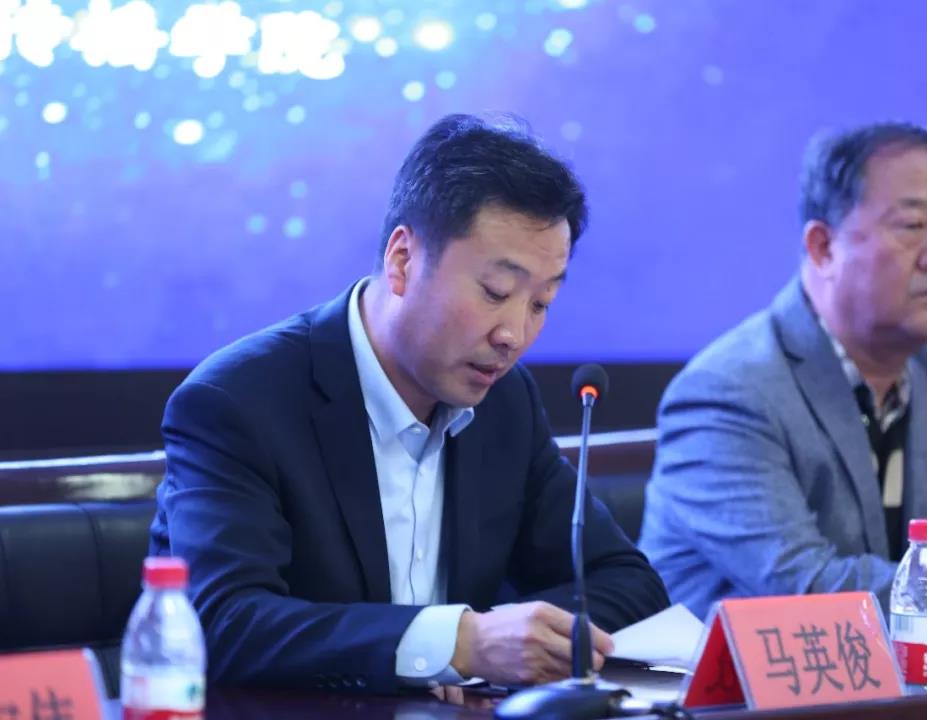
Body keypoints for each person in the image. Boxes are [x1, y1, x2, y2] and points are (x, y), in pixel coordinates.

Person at [151, 113, 669, 694]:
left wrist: (499, 643)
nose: (514, 335)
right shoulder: (237, 401)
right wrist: (452, 644)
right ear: (402, 261)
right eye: (496, 292)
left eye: (540, 303)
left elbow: (628, 582)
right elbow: (221, 623)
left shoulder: (506, 404)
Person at [639, 122, 927, 638]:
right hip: (738, 686)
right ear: (823, 247)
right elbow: (806, 586)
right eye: (912, 225)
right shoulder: (728, 392)